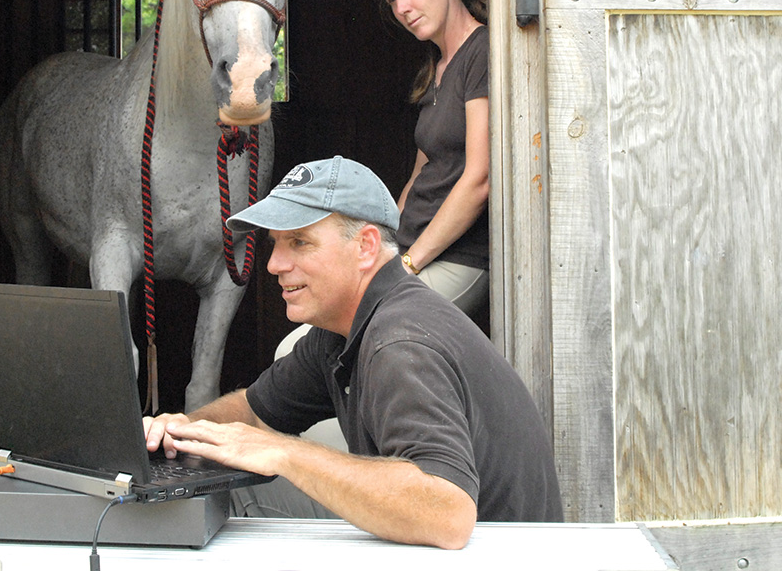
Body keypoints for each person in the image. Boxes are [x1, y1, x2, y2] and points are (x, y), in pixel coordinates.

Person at [143, 156, 563, 550]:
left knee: (229, 497)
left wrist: (284, 453)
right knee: (222, 474)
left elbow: (448, 514)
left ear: (365, 247)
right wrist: (178, 431)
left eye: (299, 243)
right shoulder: (345, 326)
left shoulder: (399, 341)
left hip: (502, 557)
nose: (274, 264)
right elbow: (254, 412)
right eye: (275, 244)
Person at [368, 0, 490, 319]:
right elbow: (421, 174)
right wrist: (390, 245)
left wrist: (408, 265)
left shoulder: (483, 51)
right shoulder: (434, 69)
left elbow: (479, 179)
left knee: (354, 335)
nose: (401, 7)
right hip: (414, 249)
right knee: (310, 345)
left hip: (459, 257)